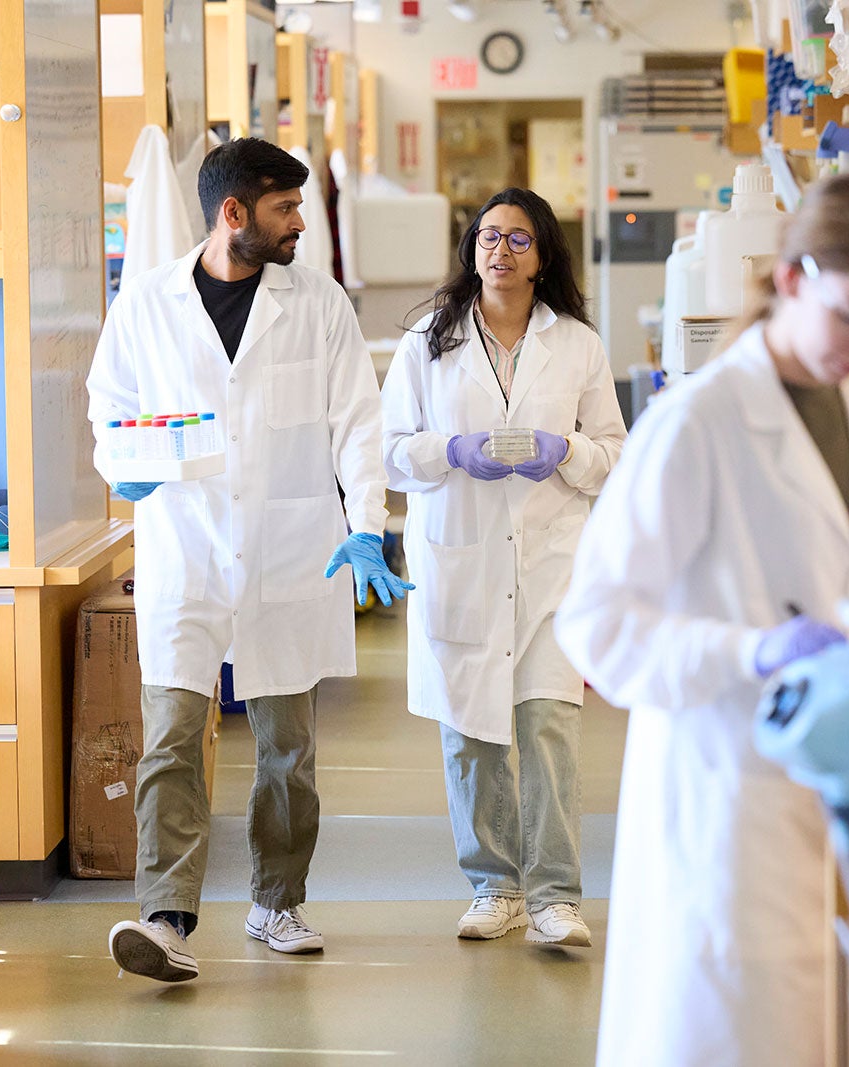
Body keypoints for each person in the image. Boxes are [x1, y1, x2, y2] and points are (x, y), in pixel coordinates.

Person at [555, 171, 849, 1064]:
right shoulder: (700, 421)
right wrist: (754, 647)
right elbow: (598, 624)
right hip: (727, 787)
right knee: (733, 1026)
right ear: (796, 279)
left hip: (839, 776)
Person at [87, 137, 412, 983]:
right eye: (285, 207)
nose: (301, 221)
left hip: (293, 548)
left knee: (288, 750)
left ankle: (277, 901)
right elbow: (109, 408)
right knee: (171, 738)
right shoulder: (148, 303)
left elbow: (358, 422)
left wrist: (368, 521)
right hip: (185, 548)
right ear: (234, 213)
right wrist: (119, 463)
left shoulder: (318, 302)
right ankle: (166, 917)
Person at [380, 188, 627, 946]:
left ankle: (555, 896)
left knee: (548, 725)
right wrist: (451, 451)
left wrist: (570, 453)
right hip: (463, 558)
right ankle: (495, 886)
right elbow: (390, 448)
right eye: (489, 237)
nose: (501, 251)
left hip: (552, 561)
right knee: (472, 731)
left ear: (543, 254)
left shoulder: (578, 343)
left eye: (519, 239)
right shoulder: (428, 339)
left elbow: (615, 452)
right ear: (471, 249)